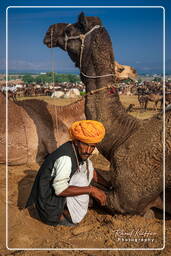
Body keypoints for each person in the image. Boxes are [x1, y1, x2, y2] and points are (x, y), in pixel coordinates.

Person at [25, 120, 111, 226]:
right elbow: (60, 190)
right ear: (76, 142)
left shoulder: (78, 151)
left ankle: (71, 205)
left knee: (86, 170)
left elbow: (91, 171)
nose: (88, 150)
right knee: (73, 220)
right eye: (85, 144)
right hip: (48, 202)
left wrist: (108, 185)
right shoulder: (65, 159)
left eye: (92, 146)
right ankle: (61, 214)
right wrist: (92, 190)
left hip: (56, 190)